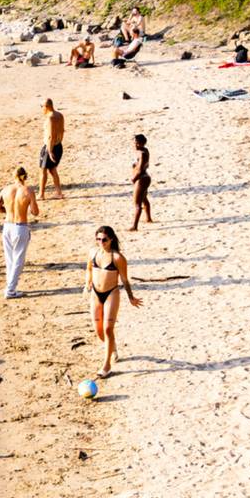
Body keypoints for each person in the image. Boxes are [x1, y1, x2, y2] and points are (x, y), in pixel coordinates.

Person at [87, 225, 141, 377]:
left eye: (104, 239)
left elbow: (124, 279)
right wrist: (87, 283)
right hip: (95, 294)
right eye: (98, 239)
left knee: (107, 329)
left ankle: (107, 365)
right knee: (98, 330)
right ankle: (112, 347)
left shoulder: (117, 258)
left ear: (111, 239)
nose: (101, 242)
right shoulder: (93, 252)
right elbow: (89, 269)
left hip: (111, 293)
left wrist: (131, 297)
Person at [0, 166, 37, 296]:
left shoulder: (6, 189)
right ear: (25, 177)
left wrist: (8, 211)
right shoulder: (28, 190)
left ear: (14, 176)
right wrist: (24, 209)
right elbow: (35, 212)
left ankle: (10, 286)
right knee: (19, 260)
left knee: (9, 259)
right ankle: (10, 290)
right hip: (20, 226)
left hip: (7, 226)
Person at [39, 99, 67, 201]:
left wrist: (50, 151)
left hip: (50, 147)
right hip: (59, 145)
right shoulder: (60, 115)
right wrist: (58, 144)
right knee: (52, 169)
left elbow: (50, 136)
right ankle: (59, 193)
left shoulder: (50, 119)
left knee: (43, 170)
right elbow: (62, 131)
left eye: (41, 107)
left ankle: (41, 194)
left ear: (46, 106)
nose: (41, 109)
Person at [128, 135, 154, 231]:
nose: (135, 145)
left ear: (142, 143)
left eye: (137, 143)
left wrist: (133, 179)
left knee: (137, 204)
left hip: (141, 179)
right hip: (145, 178)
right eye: (134, 143)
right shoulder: (144, 150)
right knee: (144, 199)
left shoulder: (141, 154)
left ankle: (134, 226)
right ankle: (148, 218)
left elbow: (140, 170)